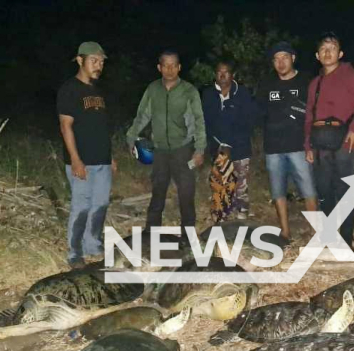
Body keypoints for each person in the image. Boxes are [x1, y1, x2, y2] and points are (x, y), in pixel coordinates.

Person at [304, 32, 354, 248]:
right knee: (324, 190)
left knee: (345, 190)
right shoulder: (314, 84)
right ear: (317, 55)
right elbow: (309, 115)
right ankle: (329, 237)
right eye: (324, 49)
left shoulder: (351, 75)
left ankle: (346, 239)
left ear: (341, 53)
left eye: (333, 48)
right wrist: (307, 144)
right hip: (319, 142)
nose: (328, 52)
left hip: (344, 141)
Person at [126, 50, 206, 243]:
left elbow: (198, 121)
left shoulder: (189, 91)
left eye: (174, 65)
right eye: (165, 65)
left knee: (186, 194)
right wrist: (131, 137)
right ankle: (149, 234)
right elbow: (142, 115)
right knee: (158, 192)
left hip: (183, 150)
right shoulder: (153, 89)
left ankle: (187, 237)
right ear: (159, 67)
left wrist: (199, 149)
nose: (170, 69)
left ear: (179, 67)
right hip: (160, 150)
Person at [57, 41, 116, 269]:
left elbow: (100, 127)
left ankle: (93, 244)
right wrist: (75, 159)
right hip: (81, 161)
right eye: (94, 61)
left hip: (102, 160)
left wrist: (110, 157)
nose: (98, 65)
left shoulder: (98, 91)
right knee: (81, 206)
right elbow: (66, 127)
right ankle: (74, 252)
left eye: (101, 61)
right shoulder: (69, 89)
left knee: (100, 203)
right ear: (80, 60)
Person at [258, 41, 317, 243]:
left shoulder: (307, 81)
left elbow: (314, 113)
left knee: (308, 189)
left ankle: (314, 230)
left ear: (293, 58)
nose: (281, 62)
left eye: (284, 57)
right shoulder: (266, 84)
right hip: (273, 148)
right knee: (277, 191)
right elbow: (259, 112)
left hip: (299, 147)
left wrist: (312, 143)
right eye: (276, 59)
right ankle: (285, 232)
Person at [201, 60, 258, 220]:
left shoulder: (243, 93)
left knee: (241, 182)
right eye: (219, 71)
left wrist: (231, 143)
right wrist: (219, 144)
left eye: (226, 72)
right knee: (220, 182)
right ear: (215, 74)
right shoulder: (208, 94)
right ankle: (222, 212)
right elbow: (206, 121)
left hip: (240, 146)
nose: (222, 75)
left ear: (232, 75)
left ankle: (242, 211)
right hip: (218, 146)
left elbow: (249, 121)